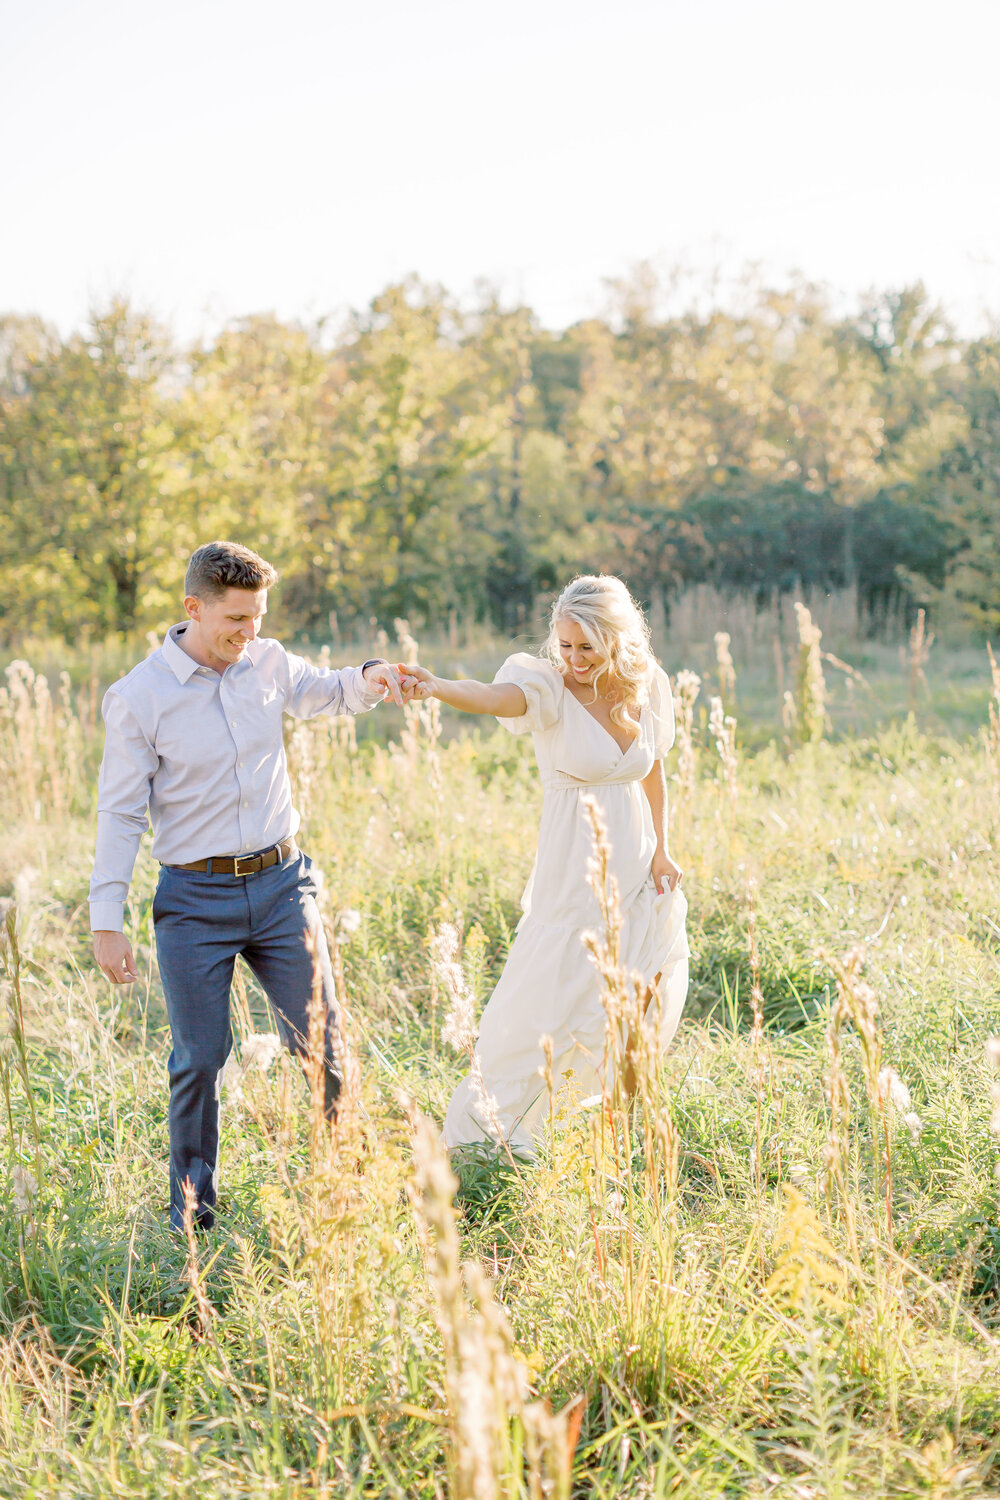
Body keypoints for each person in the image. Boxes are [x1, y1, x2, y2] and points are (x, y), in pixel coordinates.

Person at [90, 540, 407, 1231]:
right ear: (193, 608)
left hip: (280, 885)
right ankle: (192, 1212)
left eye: (258, 617)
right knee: (200, 1059)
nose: (249, 632)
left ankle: (349, 1185)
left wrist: (372, 675)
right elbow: (119, 813)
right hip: (193, 903)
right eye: (236, 619)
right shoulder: (139, 697)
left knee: (323, 1041)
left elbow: (326, 690)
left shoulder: (266, 661)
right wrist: (105, 918)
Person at [403, 574, 689, 1153]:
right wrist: (435, 687)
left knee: (630, 994)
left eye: (588, 647)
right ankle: (487, 1139)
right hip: (573, 869)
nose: (575, 659)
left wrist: (663, 846)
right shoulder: (547, 687)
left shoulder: (646, 685)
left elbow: (653, 768)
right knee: (543, 1000)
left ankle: (598, 1125)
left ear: (616, 640)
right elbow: (490, 697)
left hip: (635, 862)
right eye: (565, 645)